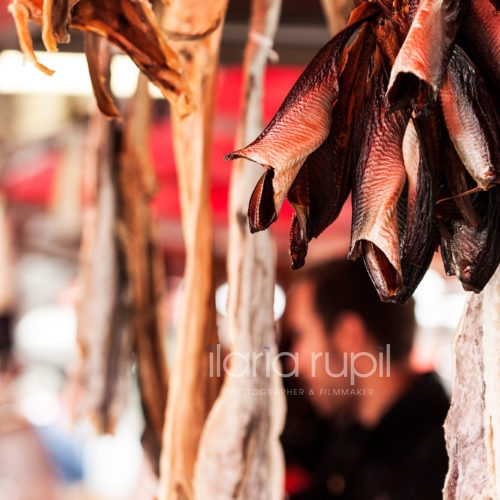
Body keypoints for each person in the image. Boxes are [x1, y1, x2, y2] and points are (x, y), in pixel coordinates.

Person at [280, 257, 449, 500]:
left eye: (300, 336)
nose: (292, 361)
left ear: (349, 335)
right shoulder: (352, 436)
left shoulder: (441, 460)